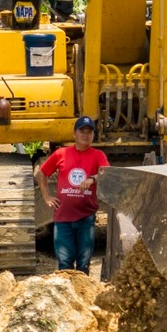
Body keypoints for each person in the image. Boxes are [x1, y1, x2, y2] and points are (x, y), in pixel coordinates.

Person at [37, 115, 110, 271]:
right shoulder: (61, 154)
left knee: (84, 264)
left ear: (93, 135)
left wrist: (93, 178)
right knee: (65, 263)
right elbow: (41, 173)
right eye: (82, 131)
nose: (85, 135)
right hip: (63, 218)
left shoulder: (98, 155)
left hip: (86, 218)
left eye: (89, 132)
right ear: (74, 134)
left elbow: (107, 173)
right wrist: (46, 196)